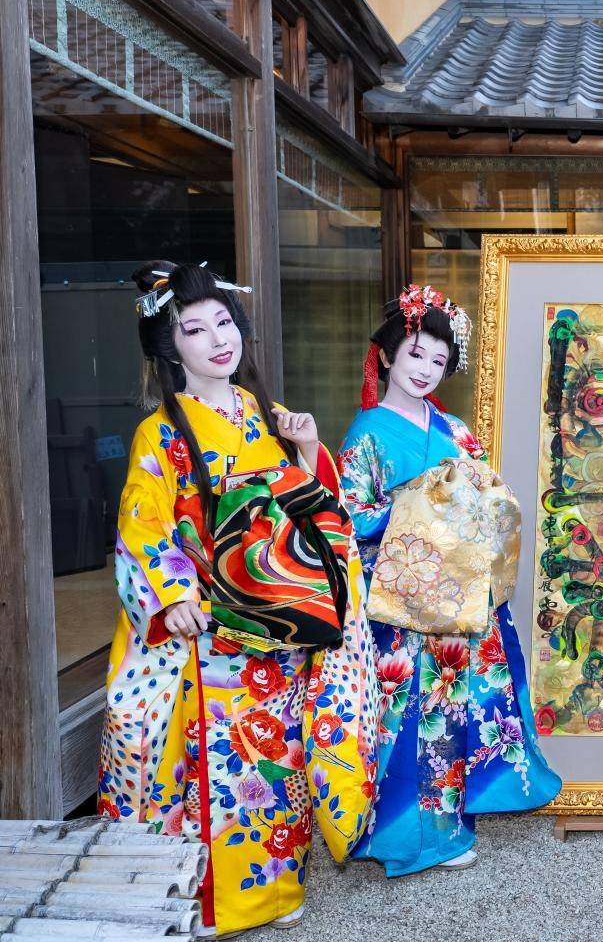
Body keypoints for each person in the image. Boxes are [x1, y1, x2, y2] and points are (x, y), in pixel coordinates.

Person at [100, 262, 375, 935]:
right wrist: (171, 594)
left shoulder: (260, 413)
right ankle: (207, 900)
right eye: (195, 329)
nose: (218, 339)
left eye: (224, 322)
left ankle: (274, 893)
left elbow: (309, 508)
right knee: (213, 764)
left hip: (275, 622)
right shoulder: (160, 432)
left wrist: (306, 449)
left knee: (277, 759)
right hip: (207, 626)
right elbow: (142, 521)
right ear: (169, 348)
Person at [339, 285, 560, 877]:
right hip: (406, 598)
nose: (425, 369)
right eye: (416, 355)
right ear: (387, 354)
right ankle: (408, 836)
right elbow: (349, 516)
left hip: (459, 594)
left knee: (455, 710)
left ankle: (449, 822)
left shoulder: (455, 427)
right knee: (410, 717)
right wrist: (422, 501)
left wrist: (476, 504)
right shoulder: (367, 433)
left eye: (439, 361)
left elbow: (486, 497)